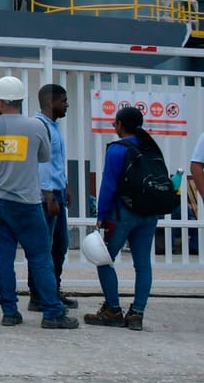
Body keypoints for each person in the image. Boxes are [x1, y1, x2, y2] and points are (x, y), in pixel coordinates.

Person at [0, 76, 77, 329]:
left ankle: (10, 312)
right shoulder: (36, 127)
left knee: (4, 259)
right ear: (21, 100)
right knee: (40, 257)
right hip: (28, 202)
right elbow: (44, 157)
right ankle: (52, 313)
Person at [83, 106, 163, 331]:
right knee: (143, 264)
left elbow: (108, 185)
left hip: (122, 214)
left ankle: (113, 310)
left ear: (119, 124)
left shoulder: (117, 150)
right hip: (148, 215)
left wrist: (101, 215)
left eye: (114, 123)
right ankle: (137, 314)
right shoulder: (150, 147)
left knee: (103, 259)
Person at [26, 84, 78, 312]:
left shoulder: (53, 127)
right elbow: (41, 165)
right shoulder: (39, 127)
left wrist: (65, 186)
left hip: (55, 192)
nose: (66, 104)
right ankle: (38, 295)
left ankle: (52, 290)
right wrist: (49, 197)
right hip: (44, 195)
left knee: (60, 246)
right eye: (63, 100)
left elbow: (56, 161)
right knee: (43, 247)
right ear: (51, 102)